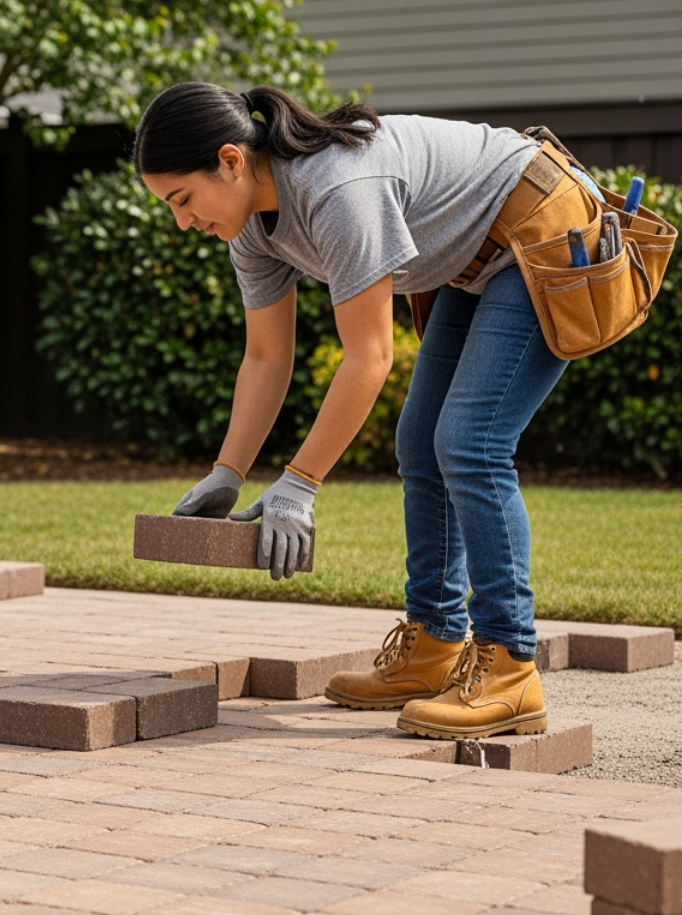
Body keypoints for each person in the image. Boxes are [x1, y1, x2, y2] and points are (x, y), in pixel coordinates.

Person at [139, 82, 573, 741]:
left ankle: (512, 667)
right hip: (476, 257)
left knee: (469, 442)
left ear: (230, 161)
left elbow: (368, 357)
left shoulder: (336, 189)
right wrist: (229, 472)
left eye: (182, 200)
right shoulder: (252, 228)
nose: (181, 221)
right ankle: (434, 646)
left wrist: (298, 486)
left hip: (544, 229)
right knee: (422, 442)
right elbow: (265, 359)